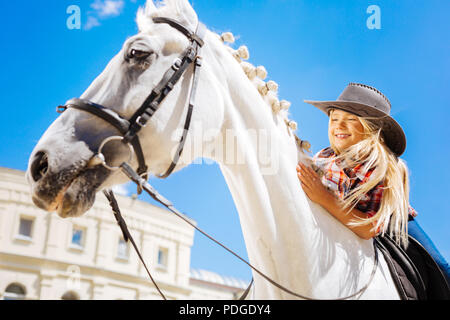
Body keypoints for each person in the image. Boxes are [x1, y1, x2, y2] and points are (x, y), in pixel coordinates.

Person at [296, 82, 450, 285]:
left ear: (371, 128)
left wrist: (324, 198)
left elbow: (369, 228)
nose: (339, 126)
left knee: (439, 266)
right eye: (334, 119)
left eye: (351, 119)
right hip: (342, 210)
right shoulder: (324, 158)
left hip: (391, 221)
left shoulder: (382, 165)